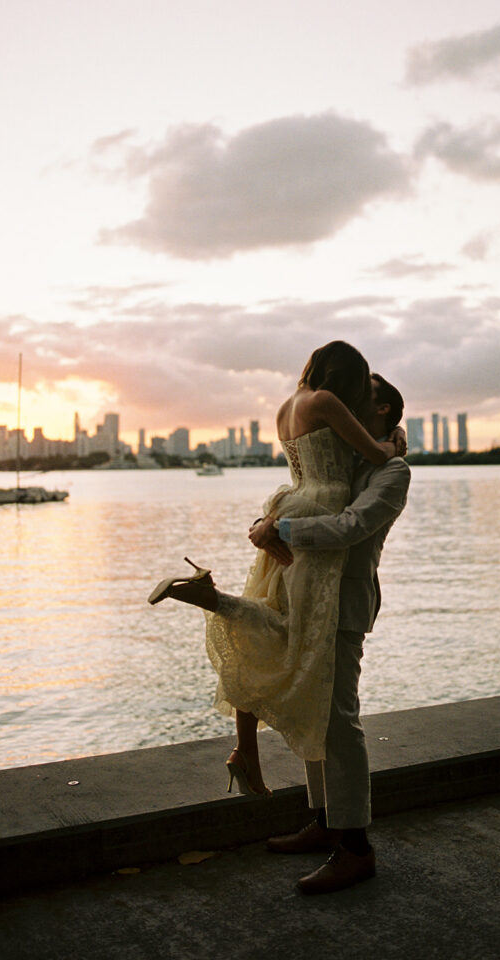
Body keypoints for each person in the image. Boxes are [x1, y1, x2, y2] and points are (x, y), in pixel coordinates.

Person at [148, 341, 406, 801]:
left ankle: (218, 603)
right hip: (307, 519)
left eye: (366, 397)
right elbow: (372, 458)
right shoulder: (331, 411)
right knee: (298, 656)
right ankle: (323, 819)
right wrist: (392, 442)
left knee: (279, 634)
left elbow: (353, 517)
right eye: (356, 386)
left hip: (292, 503)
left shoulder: (294, 410)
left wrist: (274, 524)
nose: (355, 401)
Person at [250, 372, 410, 894]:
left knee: (340, 720)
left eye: (359, 401)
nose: (343, 408)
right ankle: (323, 822)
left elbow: (349, 527)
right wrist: (270, 520)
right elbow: (309, 494)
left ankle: (356, 847)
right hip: (309, 597)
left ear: (382, 410)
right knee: (315, 713)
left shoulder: (393, 474)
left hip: (343, 605)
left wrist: (283, 531)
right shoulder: (348, 461)